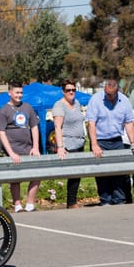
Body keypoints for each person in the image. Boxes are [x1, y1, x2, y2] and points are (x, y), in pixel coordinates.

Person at [86, 79, 134, 205]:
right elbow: (91, 123)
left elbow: (129, 123)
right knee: (102, 173)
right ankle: (105, 200)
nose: (108, 97)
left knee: (118, 173)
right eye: (106, 94)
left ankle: (119, 200)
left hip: (117, 140)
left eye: (111, 94)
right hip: (101, 140)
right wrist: (94, 144)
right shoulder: (96, 100)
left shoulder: (124, 101)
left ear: (117, 91)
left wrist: (133, 142)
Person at [0, 82, 40, 213]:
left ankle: (30, 204)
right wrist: (11, 153)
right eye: (17, 92)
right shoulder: (4, 110)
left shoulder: (27, 107)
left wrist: (35, 147)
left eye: (21, 93)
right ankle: (18, 205)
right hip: (13, 150)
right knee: (15, 179)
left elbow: (34, 126)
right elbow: (1, 132)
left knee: (37, 175)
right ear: (10, 93)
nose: (19, 95)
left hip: (28, 149)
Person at [52, 80, 86, 209]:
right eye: (68, 90)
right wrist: (60, 147)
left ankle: (72, 200)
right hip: (68, 144)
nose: (71, 92)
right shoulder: (59, 106)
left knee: (77, 174)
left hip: (79, 142)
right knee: (73, 173)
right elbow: (57, 127)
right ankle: (71, 202)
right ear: (63, 91)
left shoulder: (76, 103)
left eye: (73, 90)